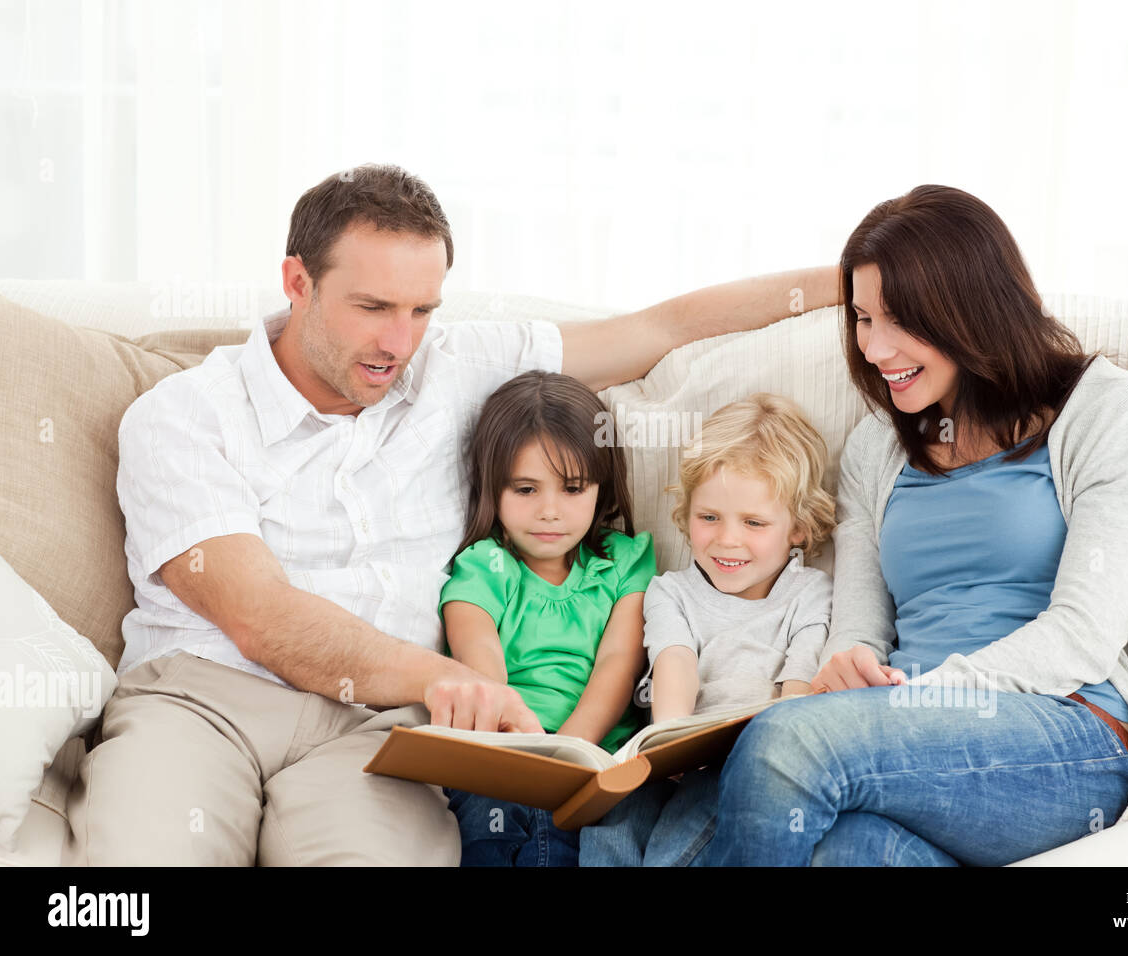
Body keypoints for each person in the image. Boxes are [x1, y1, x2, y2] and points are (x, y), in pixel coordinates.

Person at [64, 163, 841, 865]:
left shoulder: (457, 367)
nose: (398, 343)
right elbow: (260, 618)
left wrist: (862, 278)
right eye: (372, 307)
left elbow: (658, 330)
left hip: (373, 733)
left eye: (421, 310)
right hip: (204, 699)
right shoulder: (185, 415)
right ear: (296, 281)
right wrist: (451, 679)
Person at [706, 184, 1128, 867]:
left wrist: (931, 692)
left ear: (971, 307)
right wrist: (850, 663)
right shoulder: (875, 447)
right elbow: (861, 628)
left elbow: (1082, 637)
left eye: (898, 320)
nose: (874, 349)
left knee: (788, 742)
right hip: (909, 734)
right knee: (847, 854)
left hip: (1066, 734)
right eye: (862, 318)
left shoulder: (1108, 410)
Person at [580, 393, 836, 866]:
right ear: (688, 513)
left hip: (745, 761)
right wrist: (671, 738)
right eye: (709, 517)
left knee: (676, 846)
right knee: (612, 818)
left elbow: (799, 683)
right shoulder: (670, 591)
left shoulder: (809, 591)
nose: (727, 539)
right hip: (672, 750)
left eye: (754, 522)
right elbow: (673, 659)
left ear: (798, 528)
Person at [438, 371, 655, 866]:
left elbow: (620, 661)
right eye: (526, 489)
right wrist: (521, 744)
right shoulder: (485, 565)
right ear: (493, 487)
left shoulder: (625, 561)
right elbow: (480, 657)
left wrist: (568, 750)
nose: (550, 512)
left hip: (596, 759)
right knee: (490, 822)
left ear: (602, 486)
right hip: (501, 750)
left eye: (573, 488)